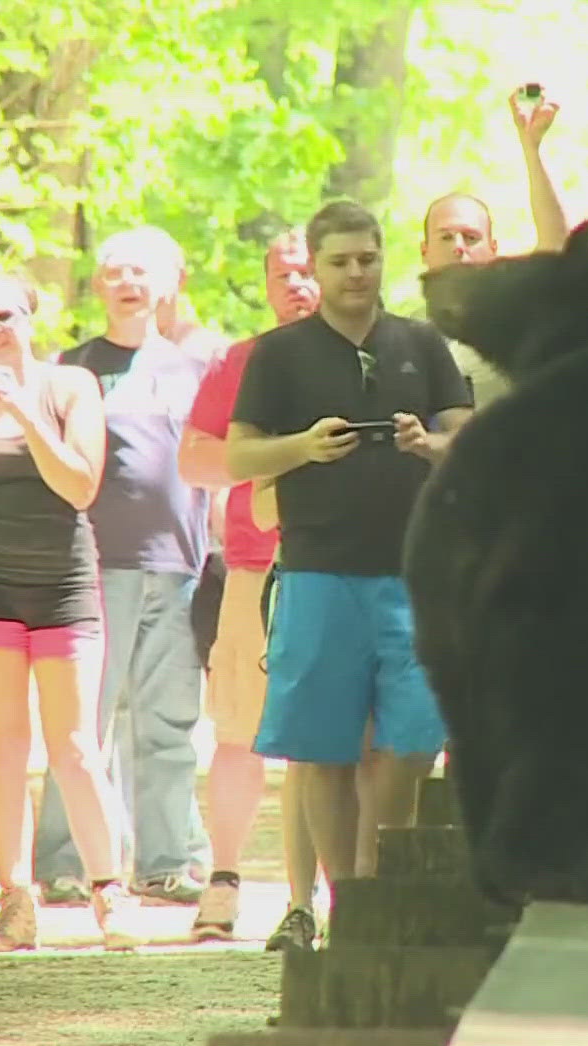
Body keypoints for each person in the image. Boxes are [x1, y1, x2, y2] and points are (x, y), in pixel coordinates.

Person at [226, 200, 473, 890]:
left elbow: (471, 438)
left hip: (414, 575)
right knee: (322, 747)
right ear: (316, 266)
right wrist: (302, 446)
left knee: (416, 735)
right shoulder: (278, 354)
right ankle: (347, 896)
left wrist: (428, 443)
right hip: (317, 574)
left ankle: (380, 874)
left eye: (368, 258)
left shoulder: (420, 344)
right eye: (340, 262)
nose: (356, 273)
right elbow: (239, 457)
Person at [0, 277, 133, 951]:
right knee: (4, 747)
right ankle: (16, 901)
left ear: (30, 318)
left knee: (75, 747)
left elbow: (80, 483)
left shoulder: (72, 386)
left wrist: (21, 414)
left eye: (5, 315)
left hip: (63, 585)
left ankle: (111, 894)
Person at [33, 226, 212, 909]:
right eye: (114, 271)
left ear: (168, 283)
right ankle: (65, 862)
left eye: (142, 271)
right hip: (90, 566)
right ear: (99, 285)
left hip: (178, 566)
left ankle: (165, 862)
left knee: (167, 723)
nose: (128, 282)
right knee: (85, 723)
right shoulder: (69, 367)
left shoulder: (197, 370)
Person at [180, 227, 343, 947]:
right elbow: (194, 461)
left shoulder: (379, 356)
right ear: (268, 285)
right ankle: (224, 880)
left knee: (337, 741)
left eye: (311, 270)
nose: (298, 284)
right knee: (240, 734)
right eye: (285, 274)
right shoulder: (240, 362)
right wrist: (283, 453)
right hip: (256, 569)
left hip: (348, 567)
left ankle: (343, 893)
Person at [416, 88, 569, 411]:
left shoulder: (515, 312)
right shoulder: (402, 330)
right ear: (424, 250)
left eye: (471, 237)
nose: (459, 248)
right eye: (446, 237)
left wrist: (531, 147)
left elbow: (556, 252)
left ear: (493, 249)